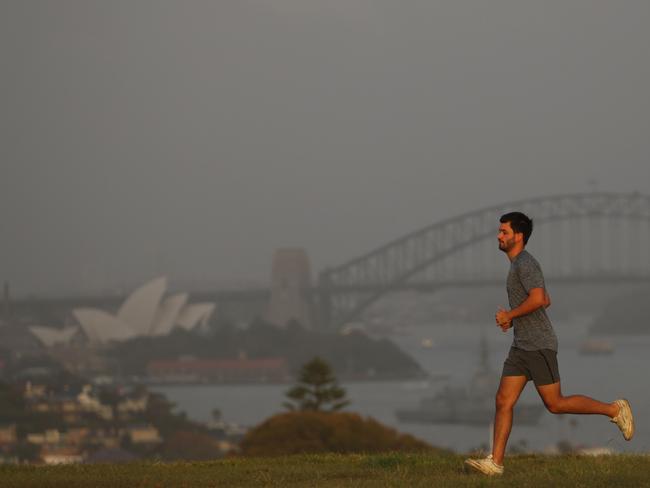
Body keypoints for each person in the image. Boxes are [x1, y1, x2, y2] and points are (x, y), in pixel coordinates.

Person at [464, 211, 634, 476]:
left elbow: (539, 298)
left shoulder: (524, 264)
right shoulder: (518, 264)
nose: (498, 236)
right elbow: (544, 300)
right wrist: (516, 319)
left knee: (555, 404)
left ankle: (615, 409)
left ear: (518, 237)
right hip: (521, 346)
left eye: (504, 232)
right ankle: (495, 463)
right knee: (502, 401)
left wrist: (509, 315)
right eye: (499, 231)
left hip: (538, 345)